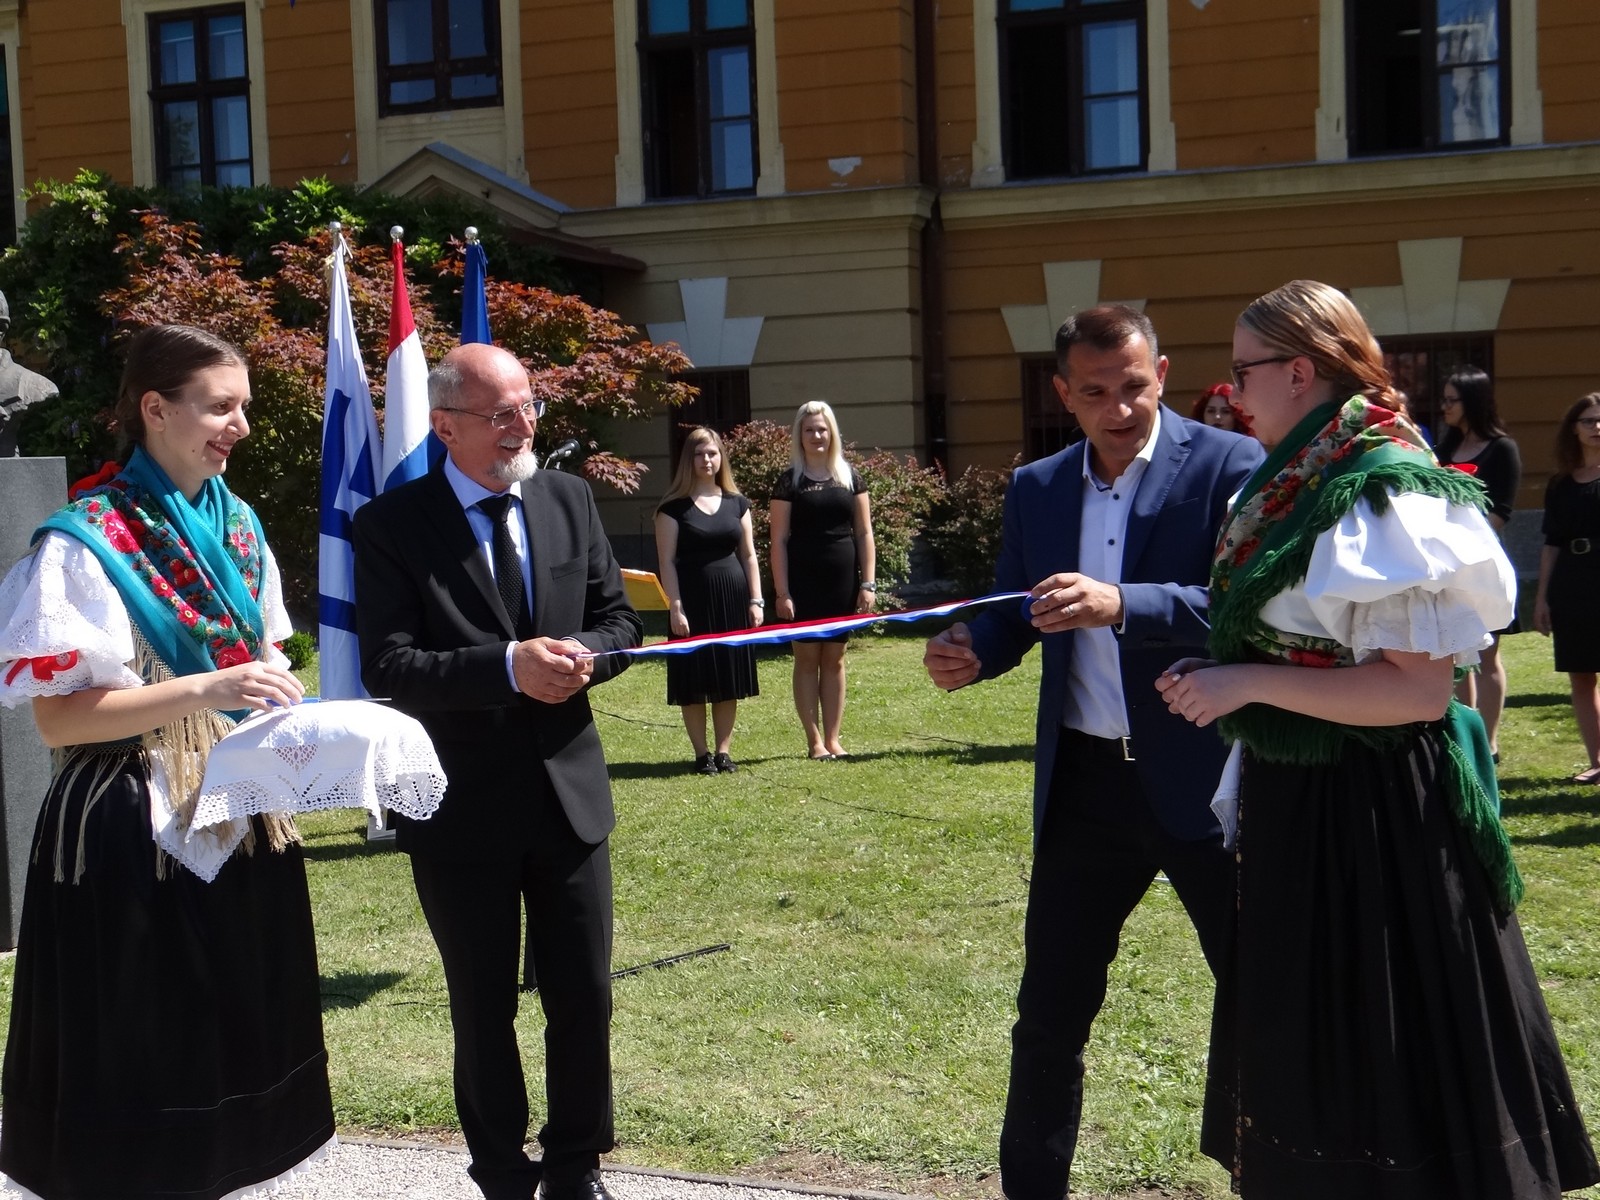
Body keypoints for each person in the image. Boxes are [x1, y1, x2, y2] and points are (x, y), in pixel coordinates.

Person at [1157, 280, 1598, 1198]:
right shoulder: (1305, 472)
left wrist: (1244, 683)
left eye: (1242, 370)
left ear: (1298, 370)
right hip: (1306, 800)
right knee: (1319, 1042)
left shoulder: (1379, 486)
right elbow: (1315, 640)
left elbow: (1416, 692)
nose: (1233, 390)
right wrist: (1230, 669)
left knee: (1389, 1046)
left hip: (1374, 814)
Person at [922, 305, 1264, 1200]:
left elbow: (1252, 609)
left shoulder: (1231, 465)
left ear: (1163, 374)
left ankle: (1278, 1175)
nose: (1120, 409)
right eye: (1097, 392)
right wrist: (972, 649)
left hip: (1205, 782)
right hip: (1085, 790)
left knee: (1261, 1000)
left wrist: (1124, 602)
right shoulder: (1037, 487)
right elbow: (1016, 609)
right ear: (1063, 394)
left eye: (1136, 387)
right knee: (1048, 1015)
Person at [0, 324, 335, 1198]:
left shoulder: (239, 525)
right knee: (144, 1050)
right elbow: (59, 722)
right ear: (155, 408)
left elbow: (260, 668)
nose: (241, 427)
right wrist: (208, 687)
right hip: (126, 824)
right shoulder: (84, 541)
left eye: (243, 408)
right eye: (221, 408)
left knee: (237, 1033)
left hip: (239, 806)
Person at [352, 342, 642, 1200]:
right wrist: (508, 667)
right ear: (445, 427)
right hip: (457, 805)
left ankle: (576, 1163)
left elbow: (621, 623)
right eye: (501, 414)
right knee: (483, 1004)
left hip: (568, 796)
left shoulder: (567, 498)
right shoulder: (394, 524)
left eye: (529, 407)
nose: (523, 426)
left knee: (583, 994)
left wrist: (584, 658)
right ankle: (503, 1171)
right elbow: (389, 666)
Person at [769, 400, 875, 760]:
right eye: (810, 429)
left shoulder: (851, 477)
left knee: (835, 659)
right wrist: (782, 592)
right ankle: (814, 741)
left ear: (832, 433)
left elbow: (864, 533)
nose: (817, 435)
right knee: (806, 659)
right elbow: (778, 541)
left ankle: (833, 739)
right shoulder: (789, 482)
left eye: (822, 429)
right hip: (802, 581)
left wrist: (868, 583)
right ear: (799, 435)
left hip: (842, 581)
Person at [654, 427, 763, 774]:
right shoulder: (672, 509)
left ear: (721, 458)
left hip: (732, 598)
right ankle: (702, 754)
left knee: (728, 676)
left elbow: (749, 555)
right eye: (700, 454)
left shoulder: (737, 504)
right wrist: (675, 606)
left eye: (713, 453)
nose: (707, 460)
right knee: (694, 678)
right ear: (689, 459)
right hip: (692, 601)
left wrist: (756, 599)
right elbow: (667, 562)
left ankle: (723, 752)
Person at [1436, 365, 1523, 756]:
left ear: (1472, 401)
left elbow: (1501, 511)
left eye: (1451, 400)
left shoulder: (1502, 449)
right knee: (1456, 654)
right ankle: (1464, 737)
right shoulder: (1444, 449)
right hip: (1446, 564)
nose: (1444, 407)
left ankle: (1488, 741)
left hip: (1482, 562)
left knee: (1487, 655)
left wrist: (1460, 536)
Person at [1533, 392, 1600, 785]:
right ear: (1574, 429)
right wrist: (1542, 598)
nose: (1597, 427)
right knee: (1581, 674)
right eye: (1588, 420)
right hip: (1572, 583)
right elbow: (1551, 543)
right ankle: (1597, 760)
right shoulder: (1560, 484)